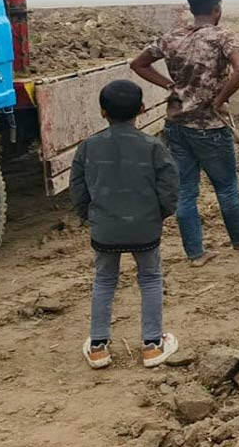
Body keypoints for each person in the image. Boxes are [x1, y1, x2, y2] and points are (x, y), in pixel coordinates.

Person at [130, 0, 239, 267]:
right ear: (217, 9)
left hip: (176, 126)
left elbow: (138, 64)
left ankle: (195, 253)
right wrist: (220, 99)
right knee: (227, 186)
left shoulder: (171, 38)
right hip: (211, 127)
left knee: (186, 190)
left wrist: (169, 85)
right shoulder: (223, 37)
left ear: (190, 8)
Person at [69, 80, 181, 369]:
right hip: (145, 228)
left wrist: (91, 217)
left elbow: (78, 190)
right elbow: (169, 188)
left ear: (103, 112)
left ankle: (98, 347)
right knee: (151, 278)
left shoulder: (88, 147)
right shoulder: (154, 146)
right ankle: (152, 346)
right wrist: (157, 216)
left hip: (105, 229)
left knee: (105, 280)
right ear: (142, 110)